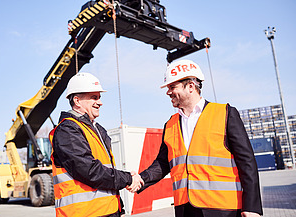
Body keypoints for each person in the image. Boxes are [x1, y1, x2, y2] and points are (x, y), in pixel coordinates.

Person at [135, 60, 263, 217]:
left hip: (223, 209)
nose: (168, 92)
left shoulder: (225, 113)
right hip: (185, 209)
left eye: (172, 87)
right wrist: (140, 179)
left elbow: (247, 162)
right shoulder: (170, 124)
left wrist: (252, 207)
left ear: (190, 86)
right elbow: (162, 163)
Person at [49, 72, 143, 217]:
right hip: (84, 213)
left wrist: (120, 208)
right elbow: (89, 171)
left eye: (99, 97)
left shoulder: (98, 130)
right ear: (77, 100)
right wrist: (128, 178)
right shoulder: (67, 130)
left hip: (108, 211)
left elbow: (107, 170)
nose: (100, 102)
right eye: (94, 97)